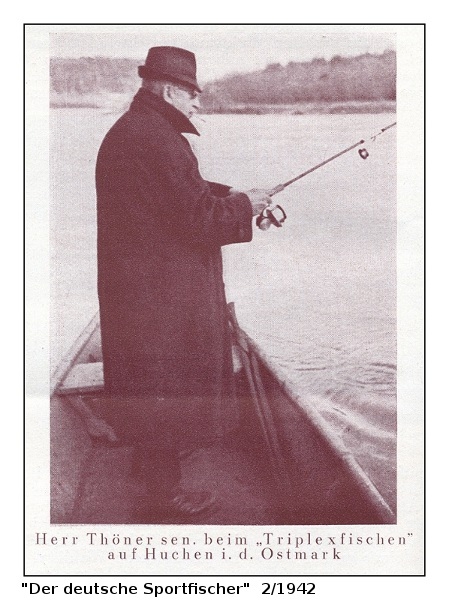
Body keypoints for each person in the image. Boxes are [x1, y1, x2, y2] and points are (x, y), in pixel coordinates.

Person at [95, 46, 273, 520]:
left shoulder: (138, 130)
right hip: (160, 297)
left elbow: (177, 194)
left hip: (140, 291)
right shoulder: (157, 138)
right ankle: (164, 498)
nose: (198, 103)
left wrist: (231, 195)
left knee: (149, 385)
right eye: (193, 94)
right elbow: (197, 219)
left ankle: (153, 464)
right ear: (171, 91)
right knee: (165, 385)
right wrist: (246, 207)